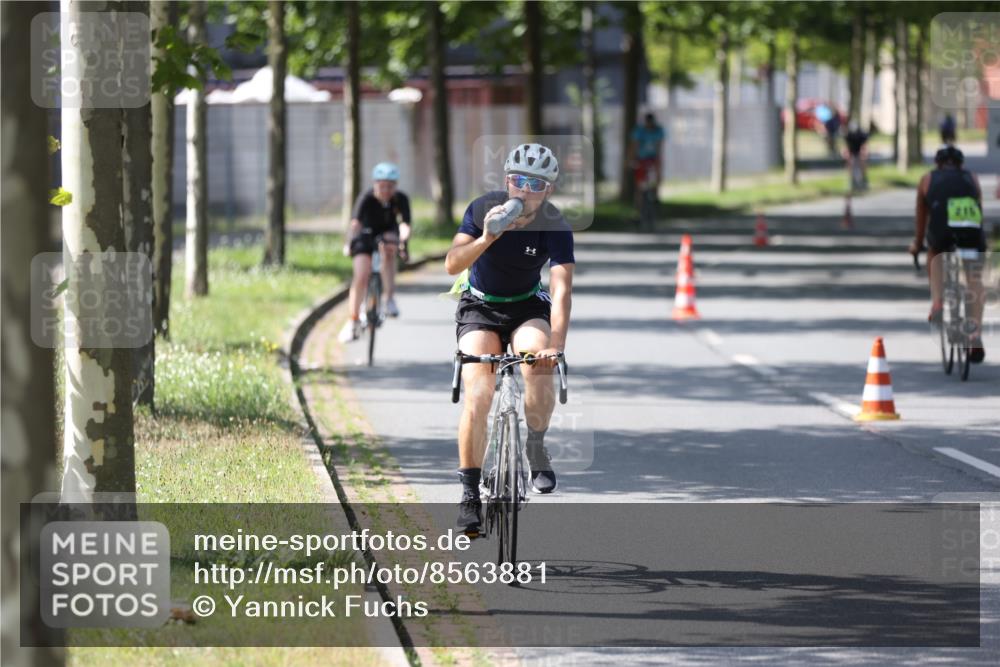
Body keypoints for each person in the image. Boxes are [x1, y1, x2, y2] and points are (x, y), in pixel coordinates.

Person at [444, 143, 574, 536]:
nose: (524, 191)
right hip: (479, 306)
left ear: (547, 190)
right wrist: (487, 237)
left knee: (537, 364)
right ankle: (470, 494)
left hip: (525, 305)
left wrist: (557, 345)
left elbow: (562, 288)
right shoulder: (484, 208)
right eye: (517, 181)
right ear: (506, 182)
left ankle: (535, 442)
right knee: (478, 392)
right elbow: (452, 263)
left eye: (535, 184)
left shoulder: (555, 224)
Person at [909, 145, 987, 363]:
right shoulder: (972, 177)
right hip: (971, 232)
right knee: (974, 277)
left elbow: (921, 218)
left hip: (941, 231)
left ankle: (938, 303)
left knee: (934, 253)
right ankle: (974, 334)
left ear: (938, 164)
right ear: (960, 164)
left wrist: (917, 244)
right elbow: (978, 212)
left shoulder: (927, 179)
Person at [338, 162, 411, 343]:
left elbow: (404, 224)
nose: (386, 190)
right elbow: (355, 223)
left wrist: (402, 240)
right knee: (361, 275)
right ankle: (352, 320)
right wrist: (348, 243)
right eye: (382, 185)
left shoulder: (400, 199)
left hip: (388, 234)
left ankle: (389, 297)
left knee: (389, 250)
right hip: (365, 234)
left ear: (396, 186)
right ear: (375, 184)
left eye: (390, 186)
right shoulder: (366, 198)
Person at [628, 112, 666, 212]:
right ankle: (638, 209)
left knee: (657, 174)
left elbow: (659, 147)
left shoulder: (659, 131)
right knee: (639, 185)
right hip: (641, 159)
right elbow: (634, 146)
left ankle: (656, 195)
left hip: (653, 158)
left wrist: (659, 161)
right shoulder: (639, 131)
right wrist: (631, 160)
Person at [843, 122, 869, 192]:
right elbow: (847, 146)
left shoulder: (861, 135)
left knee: (862, 163)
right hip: (852, 151)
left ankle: (864, 180)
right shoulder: (848, 135)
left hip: (860, 151)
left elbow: (864, 146)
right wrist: (846, 154)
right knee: (850, 164)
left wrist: (863, 153)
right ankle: (852, 181)